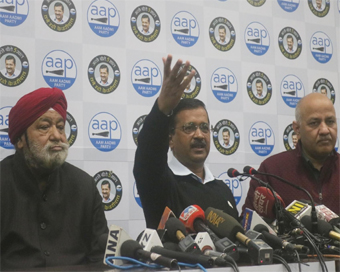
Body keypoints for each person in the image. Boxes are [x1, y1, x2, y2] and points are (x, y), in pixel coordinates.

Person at [0, 87, 108, 270]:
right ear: (20, 139)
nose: (57, 136)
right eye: (44, 127)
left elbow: (102, 258)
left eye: (60, 127)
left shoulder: (84, 186)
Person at [133, 55, 239, 229]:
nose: (199, 135)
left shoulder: (222, 189)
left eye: (204, 127)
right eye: (189, 128)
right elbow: (148, 155)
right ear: (171, 140)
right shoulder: (161, 183)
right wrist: (162, 108)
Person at [242, 92, 339, 216]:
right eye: (314, 123)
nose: (325, 130)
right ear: (297, 129)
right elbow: (249, 226)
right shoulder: (271, 171)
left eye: (330, 121)